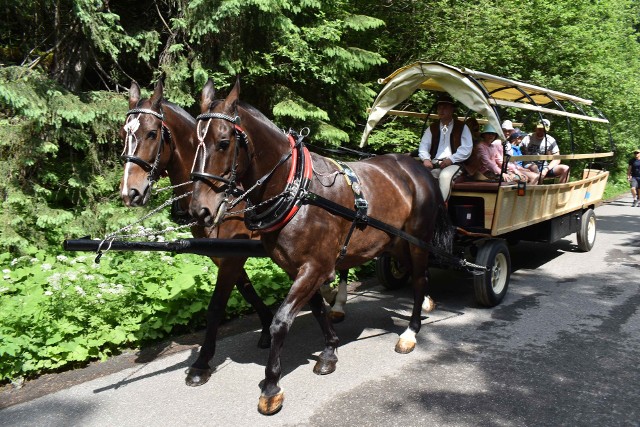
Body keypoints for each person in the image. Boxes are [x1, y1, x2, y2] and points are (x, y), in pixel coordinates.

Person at [418, 93, 473, 201]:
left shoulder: (462, 127)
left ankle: (441, 207)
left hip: (455, 164)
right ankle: (424, 206)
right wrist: (425, 159)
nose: (441, 110)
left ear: (452, 109)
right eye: (439, 107)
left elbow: (466, 148)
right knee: (427, 177)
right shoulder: (432, 128)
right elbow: (424, 146)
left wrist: (451, 159)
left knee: (445, 176)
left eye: (445, 107)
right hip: (435, 164)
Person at [520, 119, 570, 183]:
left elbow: (557, 158)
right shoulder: (527, 138)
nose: (541, 132)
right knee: (534, 167)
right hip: (528, 165)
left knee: (566, 168)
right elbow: (516, 149)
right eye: (539, 129)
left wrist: (546, 169)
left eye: (544, 130)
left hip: (544, 166)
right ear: (536, 128)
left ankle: (561, 191)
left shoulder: (551, 140)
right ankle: (537, 190)